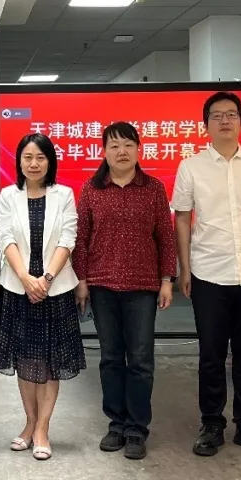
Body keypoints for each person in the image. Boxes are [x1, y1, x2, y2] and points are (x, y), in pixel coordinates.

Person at [172, 91, 241, 460]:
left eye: (231, 114)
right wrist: (184, 267)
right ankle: (211, 424)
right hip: (209, 271)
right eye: (217, 115)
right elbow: (183, 218)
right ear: (205, 124)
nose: (225, 120)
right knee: (211, 354)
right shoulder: (191, 167)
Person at [71, 122, 177, 460]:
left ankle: (136, 428)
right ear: (104, 151)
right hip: (101, 285)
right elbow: (81, 240)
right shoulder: (92, 189)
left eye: (128, 145)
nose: (122, 152)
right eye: (114, 145)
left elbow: (166, 237)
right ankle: (116, 424)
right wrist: (82, 281)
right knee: (111, 358)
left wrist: (166, 280)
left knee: (141, 360)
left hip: (142, 287)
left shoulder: (153, 188)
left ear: (138, 150)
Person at [0, 133, 84, 461]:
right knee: (26, 359)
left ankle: (43, 428)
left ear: (50, 162)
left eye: (40, 157)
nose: (33, 163)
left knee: (50, 361)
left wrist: (45, 279)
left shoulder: (64, 195)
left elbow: (68, 238)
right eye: (27, 157)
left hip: (54, 290)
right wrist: (26, 278)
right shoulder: (8, 195)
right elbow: (6, 238)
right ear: (19, 161)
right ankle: (29, 423)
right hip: (19, 289)